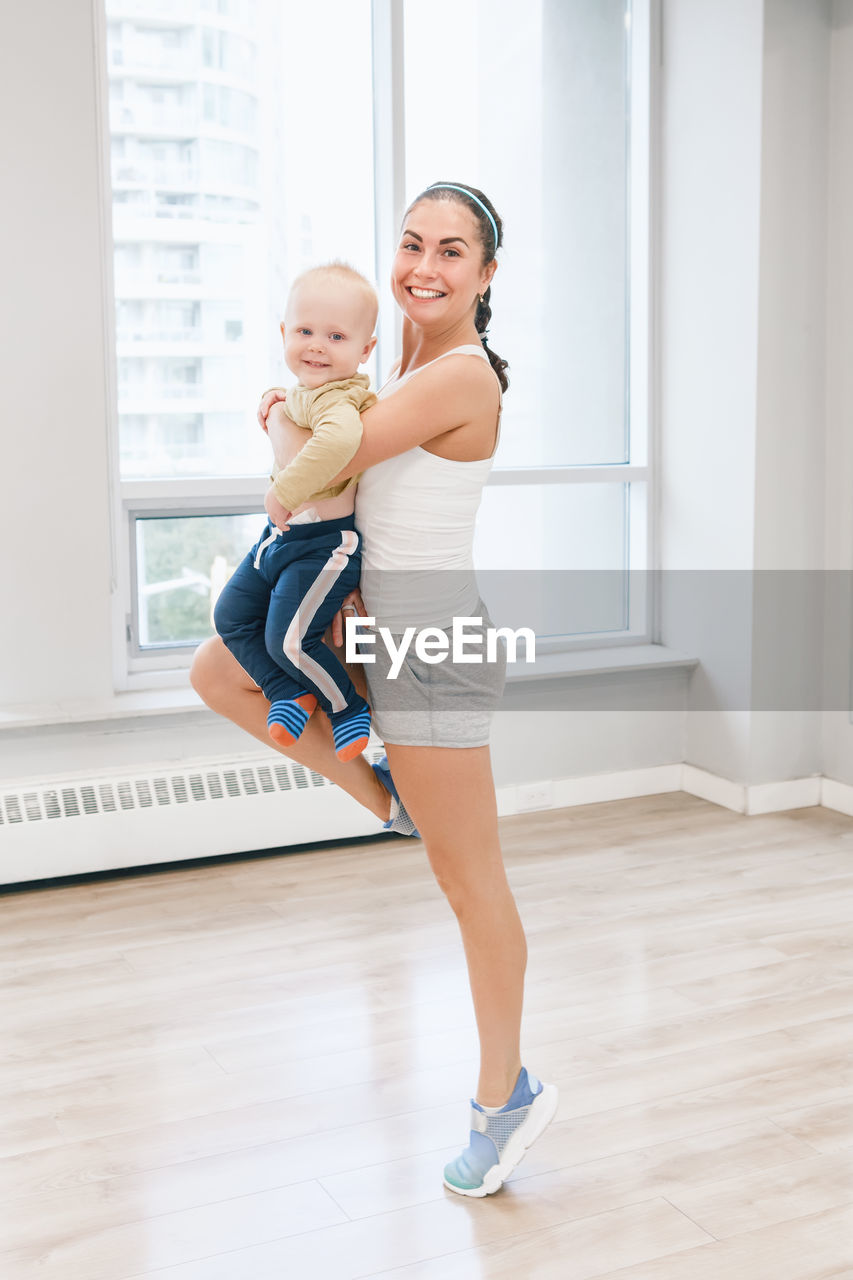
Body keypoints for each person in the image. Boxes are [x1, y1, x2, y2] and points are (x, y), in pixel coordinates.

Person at [191, 182, 558, 1196]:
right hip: (373, 627)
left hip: (430, 646)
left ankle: (505, 1098)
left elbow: (325, 464)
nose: (424, 266)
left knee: (468, 880)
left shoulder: (460, 375)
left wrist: (284, 416)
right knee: (221, 669)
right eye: (410, 244)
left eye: (452, 250)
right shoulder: (398, 363)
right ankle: (386, 793)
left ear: (486, 275)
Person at [213, 263, 377, 763]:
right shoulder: (310, 393)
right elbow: (295, 413)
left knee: (289, 639)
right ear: (284, 333)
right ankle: (286, 692)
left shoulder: (343, 400)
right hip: (281, 540)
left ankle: (346, 705)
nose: (316, 346)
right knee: (232, 616)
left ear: (364, 350)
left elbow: (340, 441)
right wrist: (277, 397)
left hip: (323, 547)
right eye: (304, 331)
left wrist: (284, 491)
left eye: (336, 336)